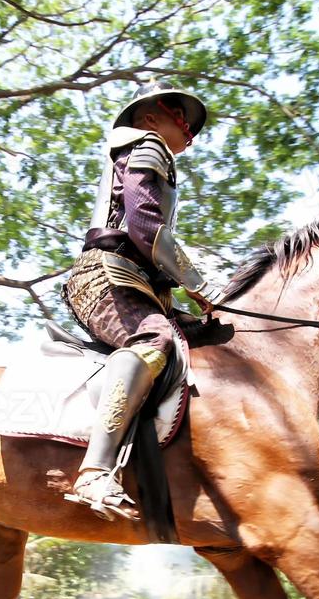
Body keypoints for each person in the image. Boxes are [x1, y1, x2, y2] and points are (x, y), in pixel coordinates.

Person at [61, 81, 225, 519]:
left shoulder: (154, 155)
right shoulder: (147, 145)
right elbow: (147, 230)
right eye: (180, 117)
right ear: (151, 116)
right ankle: (94, 472)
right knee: (154, 339)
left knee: (211, 334)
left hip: (137, 282)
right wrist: (199, 284)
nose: (189, 129)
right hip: (105, 276)